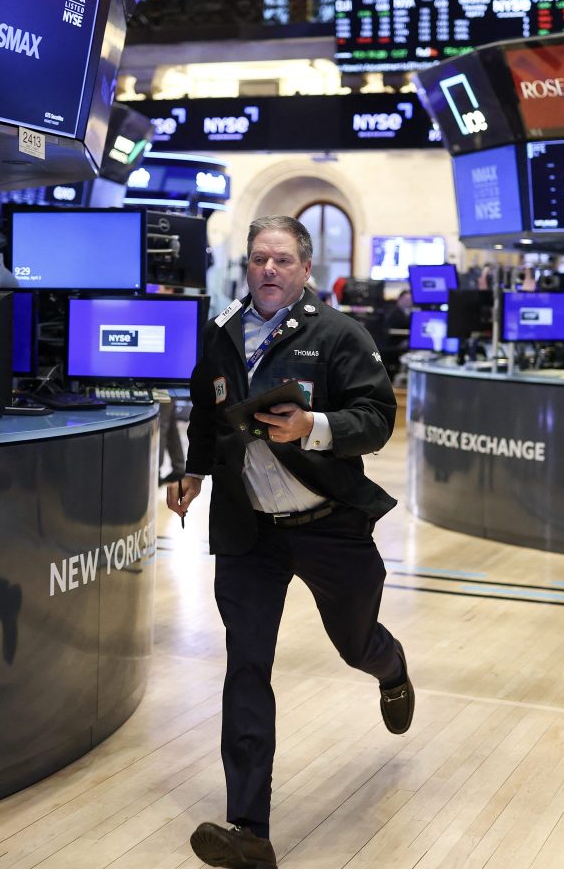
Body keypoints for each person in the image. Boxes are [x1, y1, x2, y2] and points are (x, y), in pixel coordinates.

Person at [167, 215, 414, 869]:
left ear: (304, 268)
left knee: (355, 643)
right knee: (246, 668)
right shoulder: (221, 334)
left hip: (329, 524)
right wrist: (192, 473)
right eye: (258, 260)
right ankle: (250, 829)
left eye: (280, 260)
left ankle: (391, 670)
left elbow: (377, 417)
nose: (268, 270)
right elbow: (206, 409)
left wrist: (314, 426)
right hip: (251, 533)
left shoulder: (339, 334)